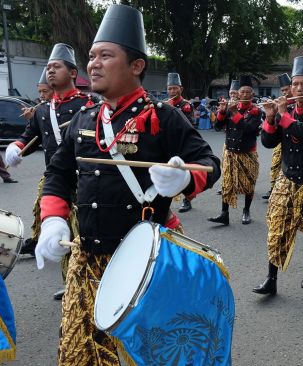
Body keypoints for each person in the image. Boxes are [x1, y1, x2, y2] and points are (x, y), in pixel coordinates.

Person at [34, 5, 220, 364]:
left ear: (136, 66)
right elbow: (58, 174)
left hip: (145, 265)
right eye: (91, 56)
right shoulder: (84, 118)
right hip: (86, 259)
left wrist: (184, 177)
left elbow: (210, 164)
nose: (94, 64)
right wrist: (53, 219)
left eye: (106, 55)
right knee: (79, 355)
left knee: (148, 356)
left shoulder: (163, 117)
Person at [5, 44, 95, 300]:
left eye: (56, 66)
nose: (50, 71)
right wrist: (16, 146)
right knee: (61, 235)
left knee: (89, 235)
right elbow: (29, 135)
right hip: (57, 181)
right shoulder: (44, 110)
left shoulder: (89, 103)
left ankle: (97, 282)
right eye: (48, 67)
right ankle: (71, 283)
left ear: (73, 72)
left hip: (87, 179)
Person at [253, 56, 303, 295]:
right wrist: (269, 118)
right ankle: (271, 279)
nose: (298, 88)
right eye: (295, 84)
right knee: (277, 226)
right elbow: (268, 142)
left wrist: (283, 115)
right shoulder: (284, 112)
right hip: (287, 179)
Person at [208, 75, 262, 226]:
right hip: (230, 153)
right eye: (242, 92)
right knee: (227, 183)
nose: (244, 95)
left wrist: (234, 113)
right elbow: (218, 126)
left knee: (248, 184)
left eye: (247, 92)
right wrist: (223, 112)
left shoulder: (255, 111)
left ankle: (246, 210)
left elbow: (249, 129)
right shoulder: (233, 107)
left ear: (252, 95)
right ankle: (224, 214)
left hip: (247, 153)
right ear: (238, 93)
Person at [166, 72, 195, 213]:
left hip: (183, 143)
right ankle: (166, 201)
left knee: (185, 172)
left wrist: (171, 110)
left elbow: (188, 125)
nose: (172, 91)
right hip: (169, 143)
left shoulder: (186, 105)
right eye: (170, 88)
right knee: (168, 172)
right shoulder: (165, 104)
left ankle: (187, 200)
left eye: (174, 88)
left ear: (181, 89)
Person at [261, 73, 292, 200]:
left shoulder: (297, 103)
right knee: (275, 165)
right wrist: (270, 115)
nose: (285, 92)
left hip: (294, 142)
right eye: (282, 90)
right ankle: (273, 188)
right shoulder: (279, 102)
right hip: (280, 140)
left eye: (287, 89)